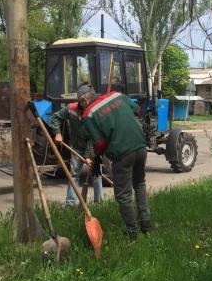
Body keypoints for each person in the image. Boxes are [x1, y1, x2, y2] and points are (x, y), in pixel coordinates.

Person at [79, 83, 151, 239]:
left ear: (84, 99)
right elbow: (137, 111)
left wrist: (96, 156)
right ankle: (146, 224)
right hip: (140, 146)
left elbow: (99, 143)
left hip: (122, 153)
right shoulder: (117, 95)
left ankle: (133, 234)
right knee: (139, 184)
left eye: (81, 103)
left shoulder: (89, 114)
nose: (81, 107)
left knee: (123, 195)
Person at [50, 85, 103, 206]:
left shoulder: (94, 112)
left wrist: (89, 156)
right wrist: (57, 133)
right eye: (87, 101)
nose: (89, 103)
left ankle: (99, 203)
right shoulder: (71, 108)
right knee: (73, 174)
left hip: (92, 147)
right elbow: (55, 118)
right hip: (76, 147)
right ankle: (70, 203)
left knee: (96, 175)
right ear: (83, 101)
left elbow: (93, 138)